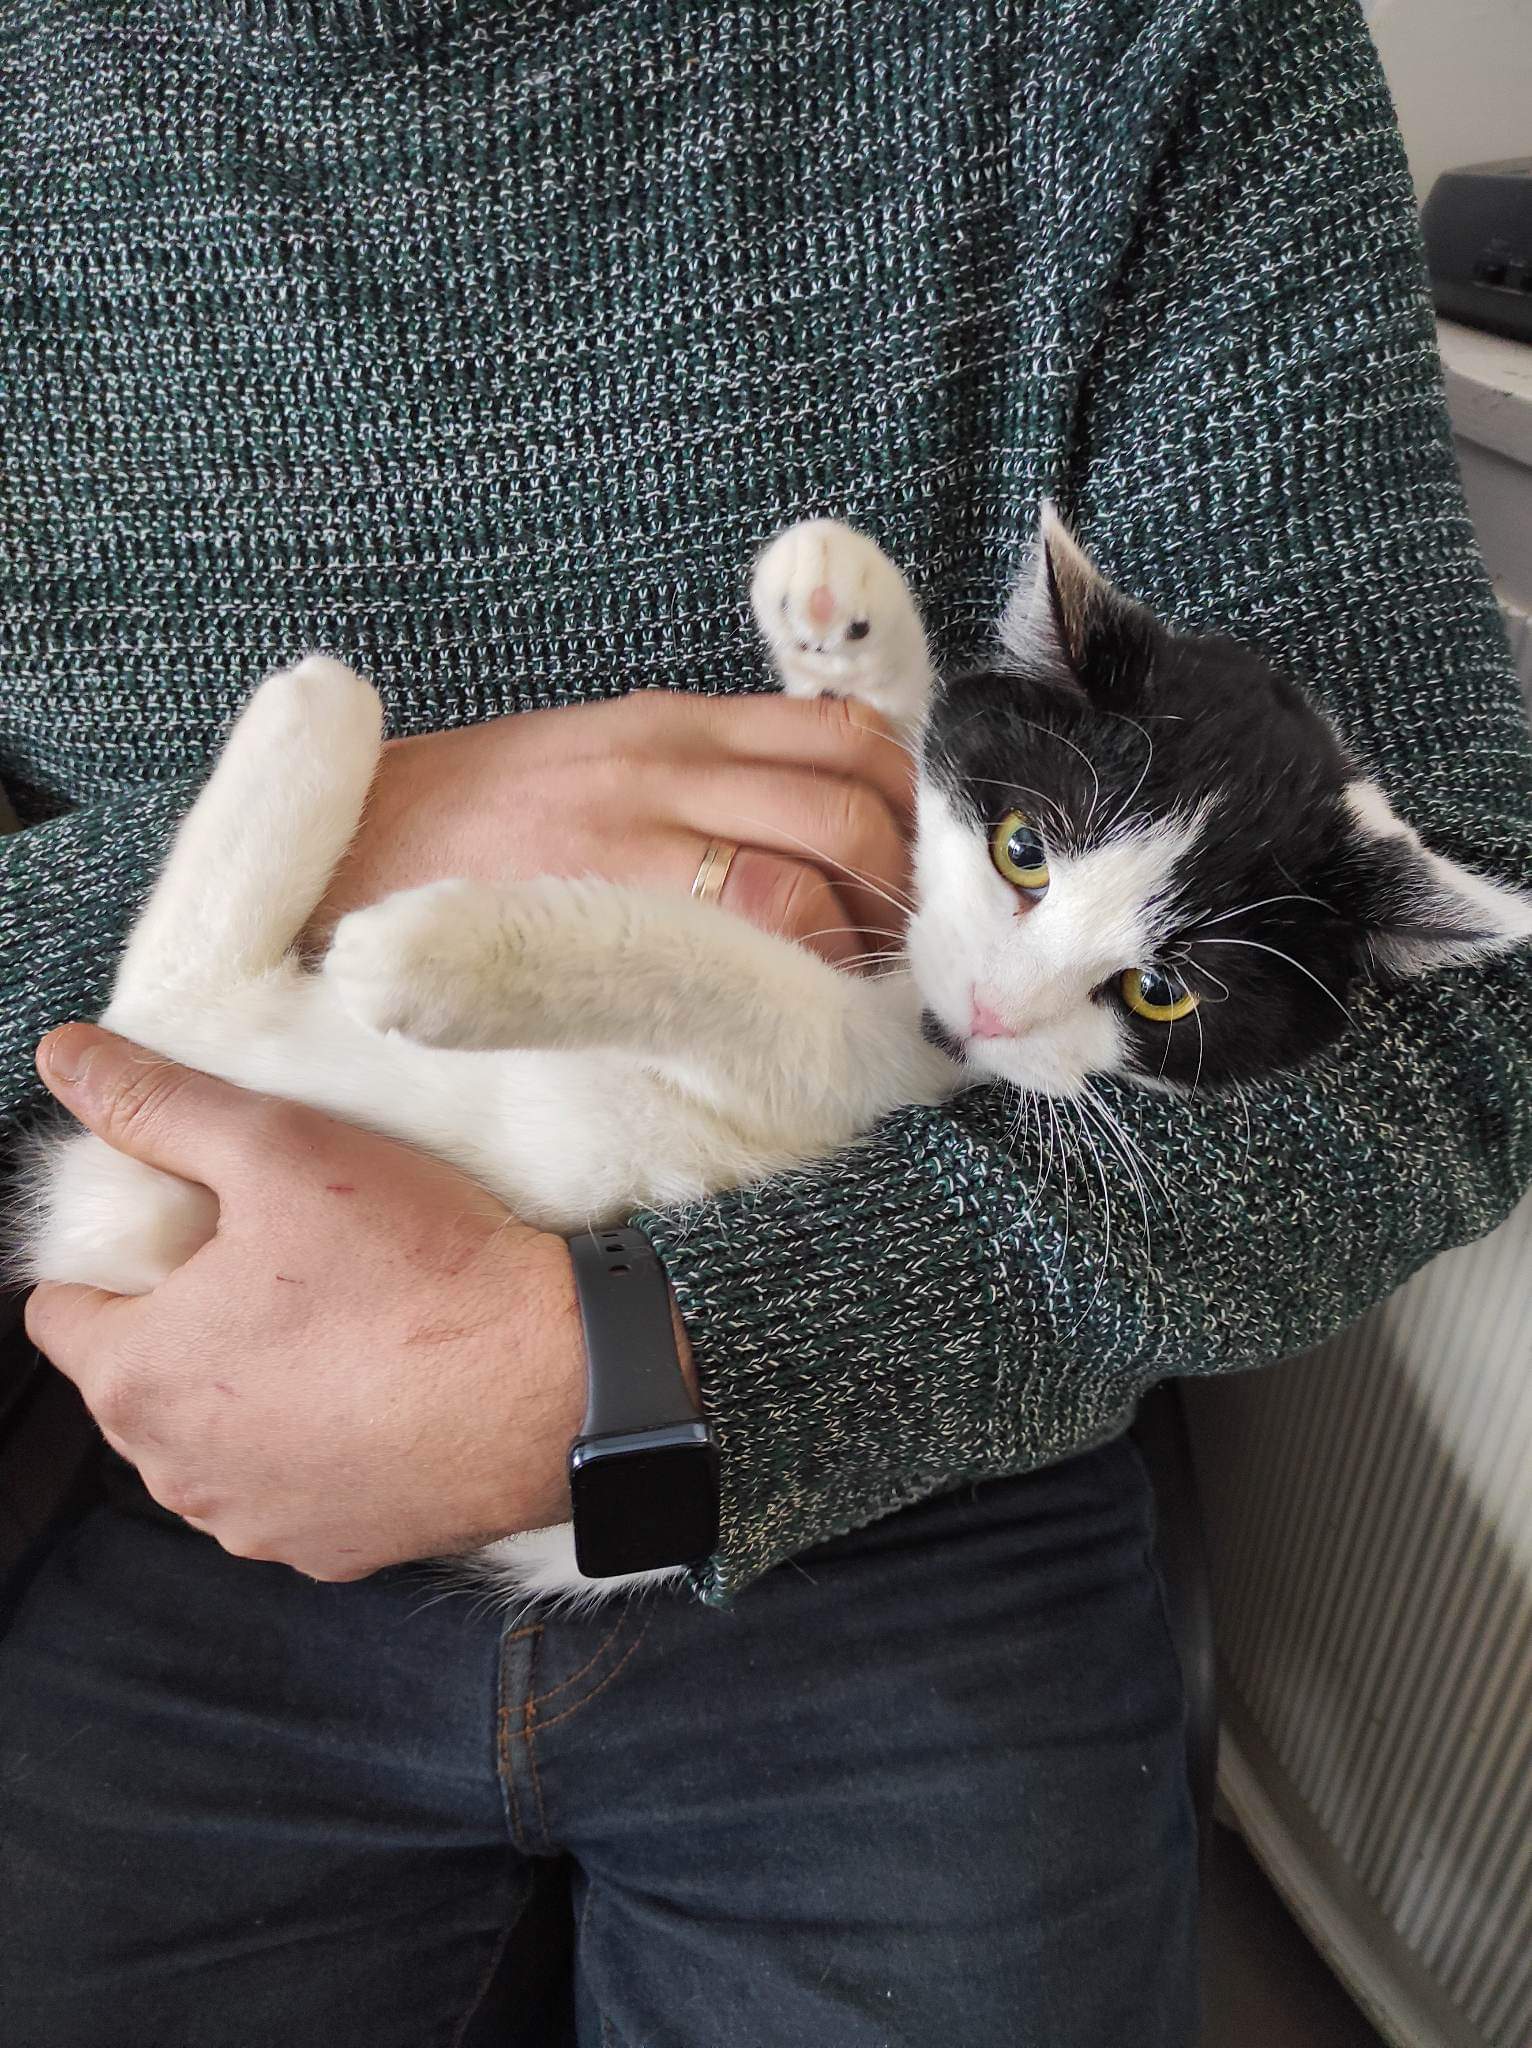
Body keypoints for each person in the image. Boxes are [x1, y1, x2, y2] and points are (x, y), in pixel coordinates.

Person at [1, 1, 1528, 2042]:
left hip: (910, 1457)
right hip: (204, 1419)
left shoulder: (1148, 50)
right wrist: (371, 833)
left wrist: (667, 1367)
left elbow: (1450, 1008)